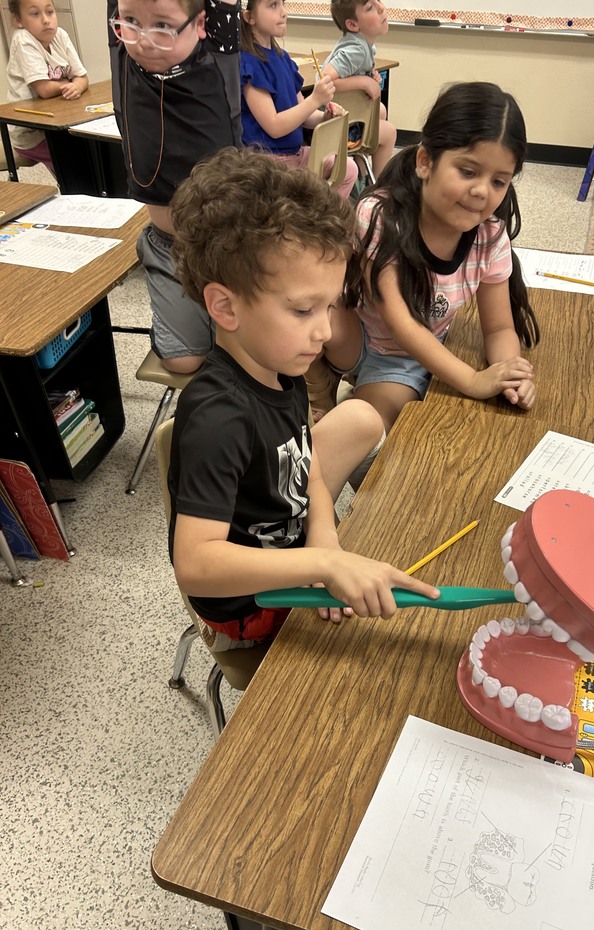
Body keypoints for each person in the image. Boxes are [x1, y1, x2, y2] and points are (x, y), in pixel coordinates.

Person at [167, 147, 439, 649]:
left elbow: (305, 463)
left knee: (359, 419)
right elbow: (196, 566)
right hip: (252, 606)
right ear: (225, 306)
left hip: (295, 551)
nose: (325, 331)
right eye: (302, 310)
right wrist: (322, 563)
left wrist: (325, 539)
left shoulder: (279, 364)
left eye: (330, 306)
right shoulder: (219, 417)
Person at [305, 81, 539, 432]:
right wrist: (474, 381)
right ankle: (315, 386)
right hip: (352, 335)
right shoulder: (379, 215)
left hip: (404, 359)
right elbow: (402, 323)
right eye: (468, 171)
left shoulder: (489, 235)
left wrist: (508, 373)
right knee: (300, 308)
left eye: (499, 181)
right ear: (426, 161)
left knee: (369, 433)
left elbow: (500, 327)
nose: (481, 191)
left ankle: (344, 397)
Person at [107, 0, 241, 374]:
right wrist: (136, 22)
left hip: (228, 243)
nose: (144, 40)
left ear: (200, 23)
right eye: (131, 22)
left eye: (163, 27)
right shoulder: (124, 54)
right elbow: (131, 20)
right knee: (184, 360)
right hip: (169, 247)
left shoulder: (216, 55)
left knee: (246, 353)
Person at [239, 0, 357, 197]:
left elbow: (303, 115)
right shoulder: (249, 63)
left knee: (348, 169)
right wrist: (315, 99)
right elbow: (274, 127)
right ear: (249, 17)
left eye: (283, 4)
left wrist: (324, 116)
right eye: (273, 5)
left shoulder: (283, 58)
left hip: (294, 155)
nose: (284, 12)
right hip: (268, 164)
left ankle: (323, 223)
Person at [6, 0, 88, 173]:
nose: (46, 20)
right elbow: (43, 89)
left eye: (49, 12)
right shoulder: (23, 40)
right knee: (71, 157)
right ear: (18, 21)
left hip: (60, 121)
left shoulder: (61, 35)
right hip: (31, 133)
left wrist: (78, 87)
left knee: (91, 145)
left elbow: (81, 77)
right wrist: (69, 84)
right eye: (35, 14)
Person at [322, 0, 396, 178]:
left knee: (380, 111)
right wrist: (363, 82)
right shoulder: (356, 49)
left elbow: (347, 77)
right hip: (334, 124)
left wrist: (368, 79)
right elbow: (325, 80)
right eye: (370, 7)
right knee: (389, 131)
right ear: (353, 24)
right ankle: (380, 189)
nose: (381, 8)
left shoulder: (363, 45)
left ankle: (361, 174)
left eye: (377, 1)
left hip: (346, 119)